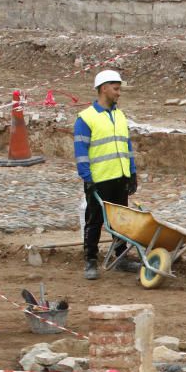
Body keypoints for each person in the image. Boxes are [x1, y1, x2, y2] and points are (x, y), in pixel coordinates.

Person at [74, 69, 140, 280]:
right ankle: (90, 261)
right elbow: (81, 151)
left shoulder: (119, 115)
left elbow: (126, 146)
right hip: (99, 179)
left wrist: (132, 173)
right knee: (94, 221)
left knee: (120, 221)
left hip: (119, 177)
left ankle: (121, 258)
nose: (119, 93)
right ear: (104, 88)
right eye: (116, 88)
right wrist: (87, 177)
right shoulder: (86, 118)